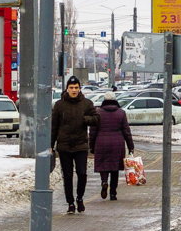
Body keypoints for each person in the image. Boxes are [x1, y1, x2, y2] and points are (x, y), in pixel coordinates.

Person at [51, 76, 99, 214]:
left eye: (76, 88)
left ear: (79, 89)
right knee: (67, 175)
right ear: (67, 88)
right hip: (64, 145)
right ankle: (70, 203)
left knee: (82, 173)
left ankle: (80, 198)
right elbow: (54, 126)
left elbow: (97, 119)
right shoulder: (60, 105)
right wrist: (51, 144)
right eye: (71, 88)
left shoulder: (86, 104)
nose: (73, 90)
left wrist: (86, 119)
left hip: (81, 145)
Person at [90, 91, 134, 201]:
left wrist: (91, 146)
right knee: (115, 169)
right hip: (117, 144)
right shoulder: (121, 113)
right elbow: (126, 131)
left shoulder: (98, 113)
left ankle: (104, 182)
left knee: (103, 166)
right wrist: (130, 146)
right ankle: (113, 193)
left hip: (101, 142)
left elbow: (93, 131)